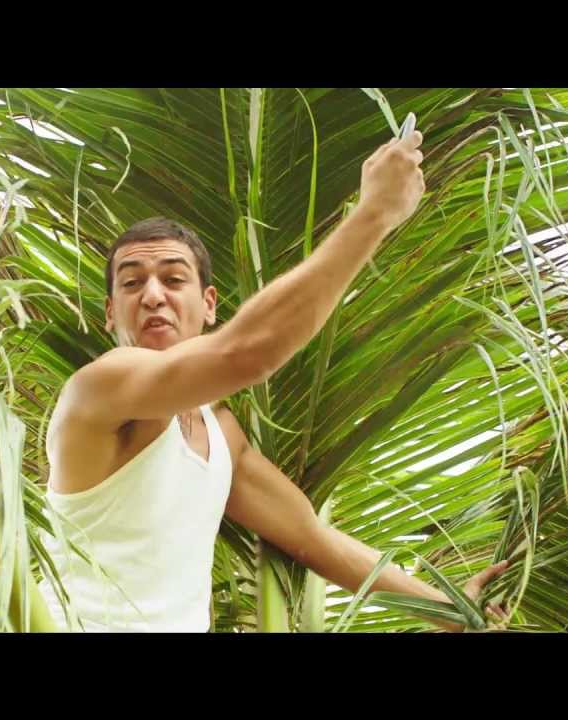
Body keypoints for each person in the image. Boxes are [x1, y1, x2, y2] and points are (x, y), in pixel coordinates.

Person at [38, 129, 508, 632]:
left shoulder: (220, 436)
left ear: (209, 304)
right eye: (132, 283)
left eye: (173, 279)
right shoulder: (101, 387)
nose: (152, 295)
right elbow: (245, 353)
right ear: (111, 312)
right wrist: (374, 213)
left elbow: (313, 539)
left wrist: (449, 610)